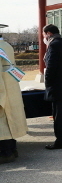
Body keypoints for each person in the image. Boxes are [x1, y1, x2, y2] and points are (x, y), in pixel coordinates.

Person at [42, 24, 62, 149]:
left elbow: (51, 67)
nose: (44, 37)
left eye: (44, 35)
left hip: (57, 85)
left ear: (48, 33)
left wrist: (47, 83)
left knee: (58, 115)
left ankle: (61, 140)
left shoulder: (53, 46)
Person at [0, 36, 27, 164]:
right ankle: (12, 149)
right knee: (10, 122)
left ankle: (6, 153)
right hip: (11, 88)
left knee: (3, 125)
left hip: (2, 90)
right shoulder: (6, 46)